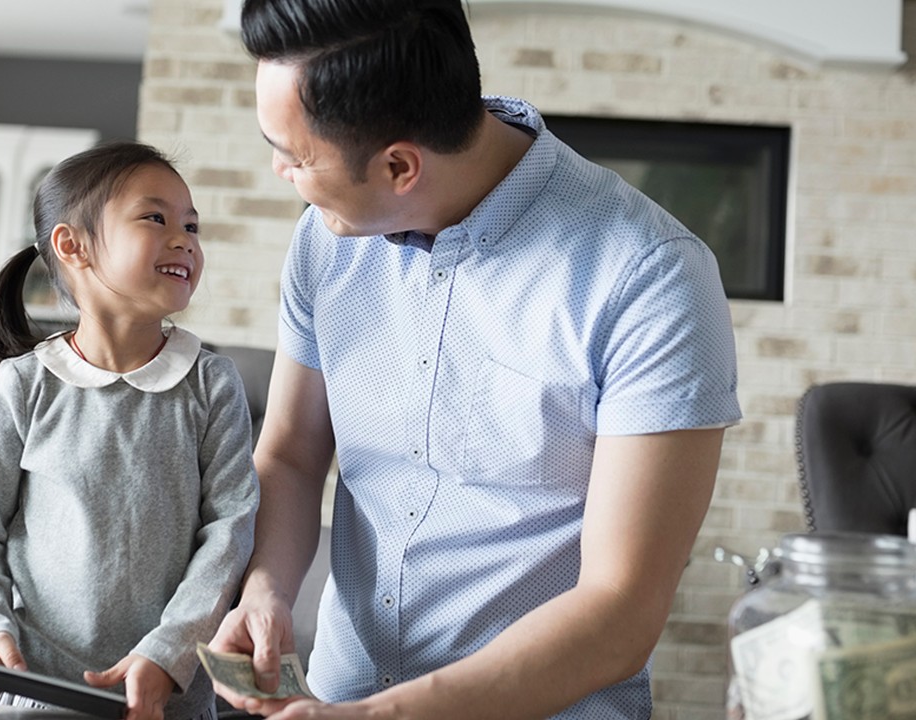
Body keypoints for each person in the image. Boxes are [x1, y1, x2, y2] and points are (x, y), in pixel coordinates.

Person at [207, 1, 742, 718]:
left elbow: (622, 610)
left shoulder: (652, 277)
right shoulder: (323, 242)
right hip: (338, 688)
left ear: (400, 165)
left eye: (296, 157)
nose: (279, 170)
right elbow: (296, 454)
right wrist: (268, 586)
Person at [0, 141, 260, 720]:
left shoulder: (213, 383)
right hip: (33, 691)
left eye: (192, 225)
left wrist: (168, 655)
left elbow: (230, 534)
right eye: (156, 218)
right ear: (74, 246)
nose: (184, 239)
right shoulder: (24, 385)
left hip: (169, 698)